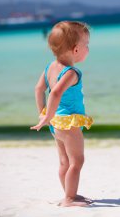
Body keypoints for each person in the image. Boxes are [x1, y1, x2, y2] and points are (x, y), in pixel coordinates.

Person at [30, 21, 94, 207]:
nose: (88, 48)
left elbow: (38, 89)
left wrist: (44, 114)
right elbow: (56, 93)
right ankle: (69, 198)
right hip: (68, 123)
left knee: (64, 162)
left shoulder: (50, 67)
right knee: (77, 161)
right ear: (75, 50)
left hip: (56, 123)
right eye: (86, 45)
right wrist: (48, 115)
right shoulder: (71, 73)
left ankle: (69, 193)